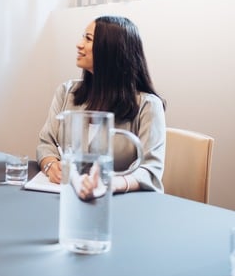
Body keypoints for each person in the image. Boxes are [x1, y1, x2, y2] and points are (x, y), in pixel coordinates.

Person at [36, 16, 166, 194]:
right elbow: (46, 143)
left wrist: (111, 184)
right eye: (83, 37)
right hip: (68, 196)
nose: (79, 44)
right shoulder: (66, 92)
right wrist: (50, 165)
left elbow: (150, 169)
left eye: (88, 39)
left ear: (111, 49)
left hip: (122, 201)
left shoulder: (148, 106)